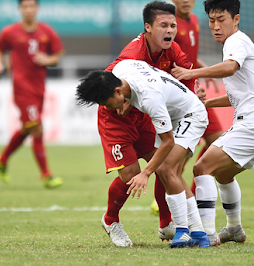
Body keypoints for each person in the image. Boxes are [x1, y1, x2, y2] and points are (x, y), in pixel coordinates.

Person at [172, 0, 254, 244]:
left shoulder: (235, 42)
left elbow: (230, 67)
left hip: (253, 125)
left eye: (221, 19)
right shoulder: (237, 43)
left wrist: (192, 73)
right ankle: (234, 229)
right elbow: (239, 96)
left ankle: (206, 234)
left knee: (201, 168)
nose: (216, 26)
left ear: (236, 19)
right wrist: (207, 103)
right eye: (211, 20)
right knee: (222, 174)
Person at [92, 0, 199, 247]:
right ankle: (111, 220)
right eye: (164, 26)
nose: (170, 31)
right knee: (130, 174)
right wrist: (121, 100)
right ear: (148, 28)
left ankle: (166, 224)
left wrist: (192, 97)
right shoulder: (133, 54)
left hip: (144, 115)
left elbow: (185, 76)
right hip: (116, 118)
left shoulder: (172, 50)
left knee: (164, 164)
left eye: (173, 25)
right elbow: (108, 83)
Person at [77, 59, 211, 248]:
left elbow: (168, 141)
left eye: (107, 104)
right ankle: (195, 231)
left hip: (188, 116)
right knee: (162, 169)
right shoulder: (123, 69)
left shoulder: (150, 99)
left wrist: (145, 173)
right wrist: (130, 102)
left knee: (166, 168)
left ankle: (186, 230)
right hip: (170, 113)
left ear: (117, 91)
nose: (108, 108)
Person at [149, 0, 226, 219]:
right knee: (174, 158)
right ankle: (169, 200)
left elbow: (188, 56)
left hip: (195, 90)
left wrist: (203, 69)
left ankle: (185, 189)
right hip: (181, 98)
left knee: (216, 140)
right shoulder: (171, 27)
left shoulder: (194, 20)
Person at [0, 0, 65, 189]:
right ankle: (46, 175)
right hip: (21, 88)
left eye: (32, 6)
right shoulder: (10, 32)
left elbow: (57, 56)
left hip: (39, 88)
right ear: (20, 9)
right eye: (25, 6)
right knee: (37, 128)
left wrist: (47, 59)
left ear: (37, 7)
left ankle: (2, 158)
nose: (29, 10)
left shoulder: (46, 32)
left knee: (29, 127)